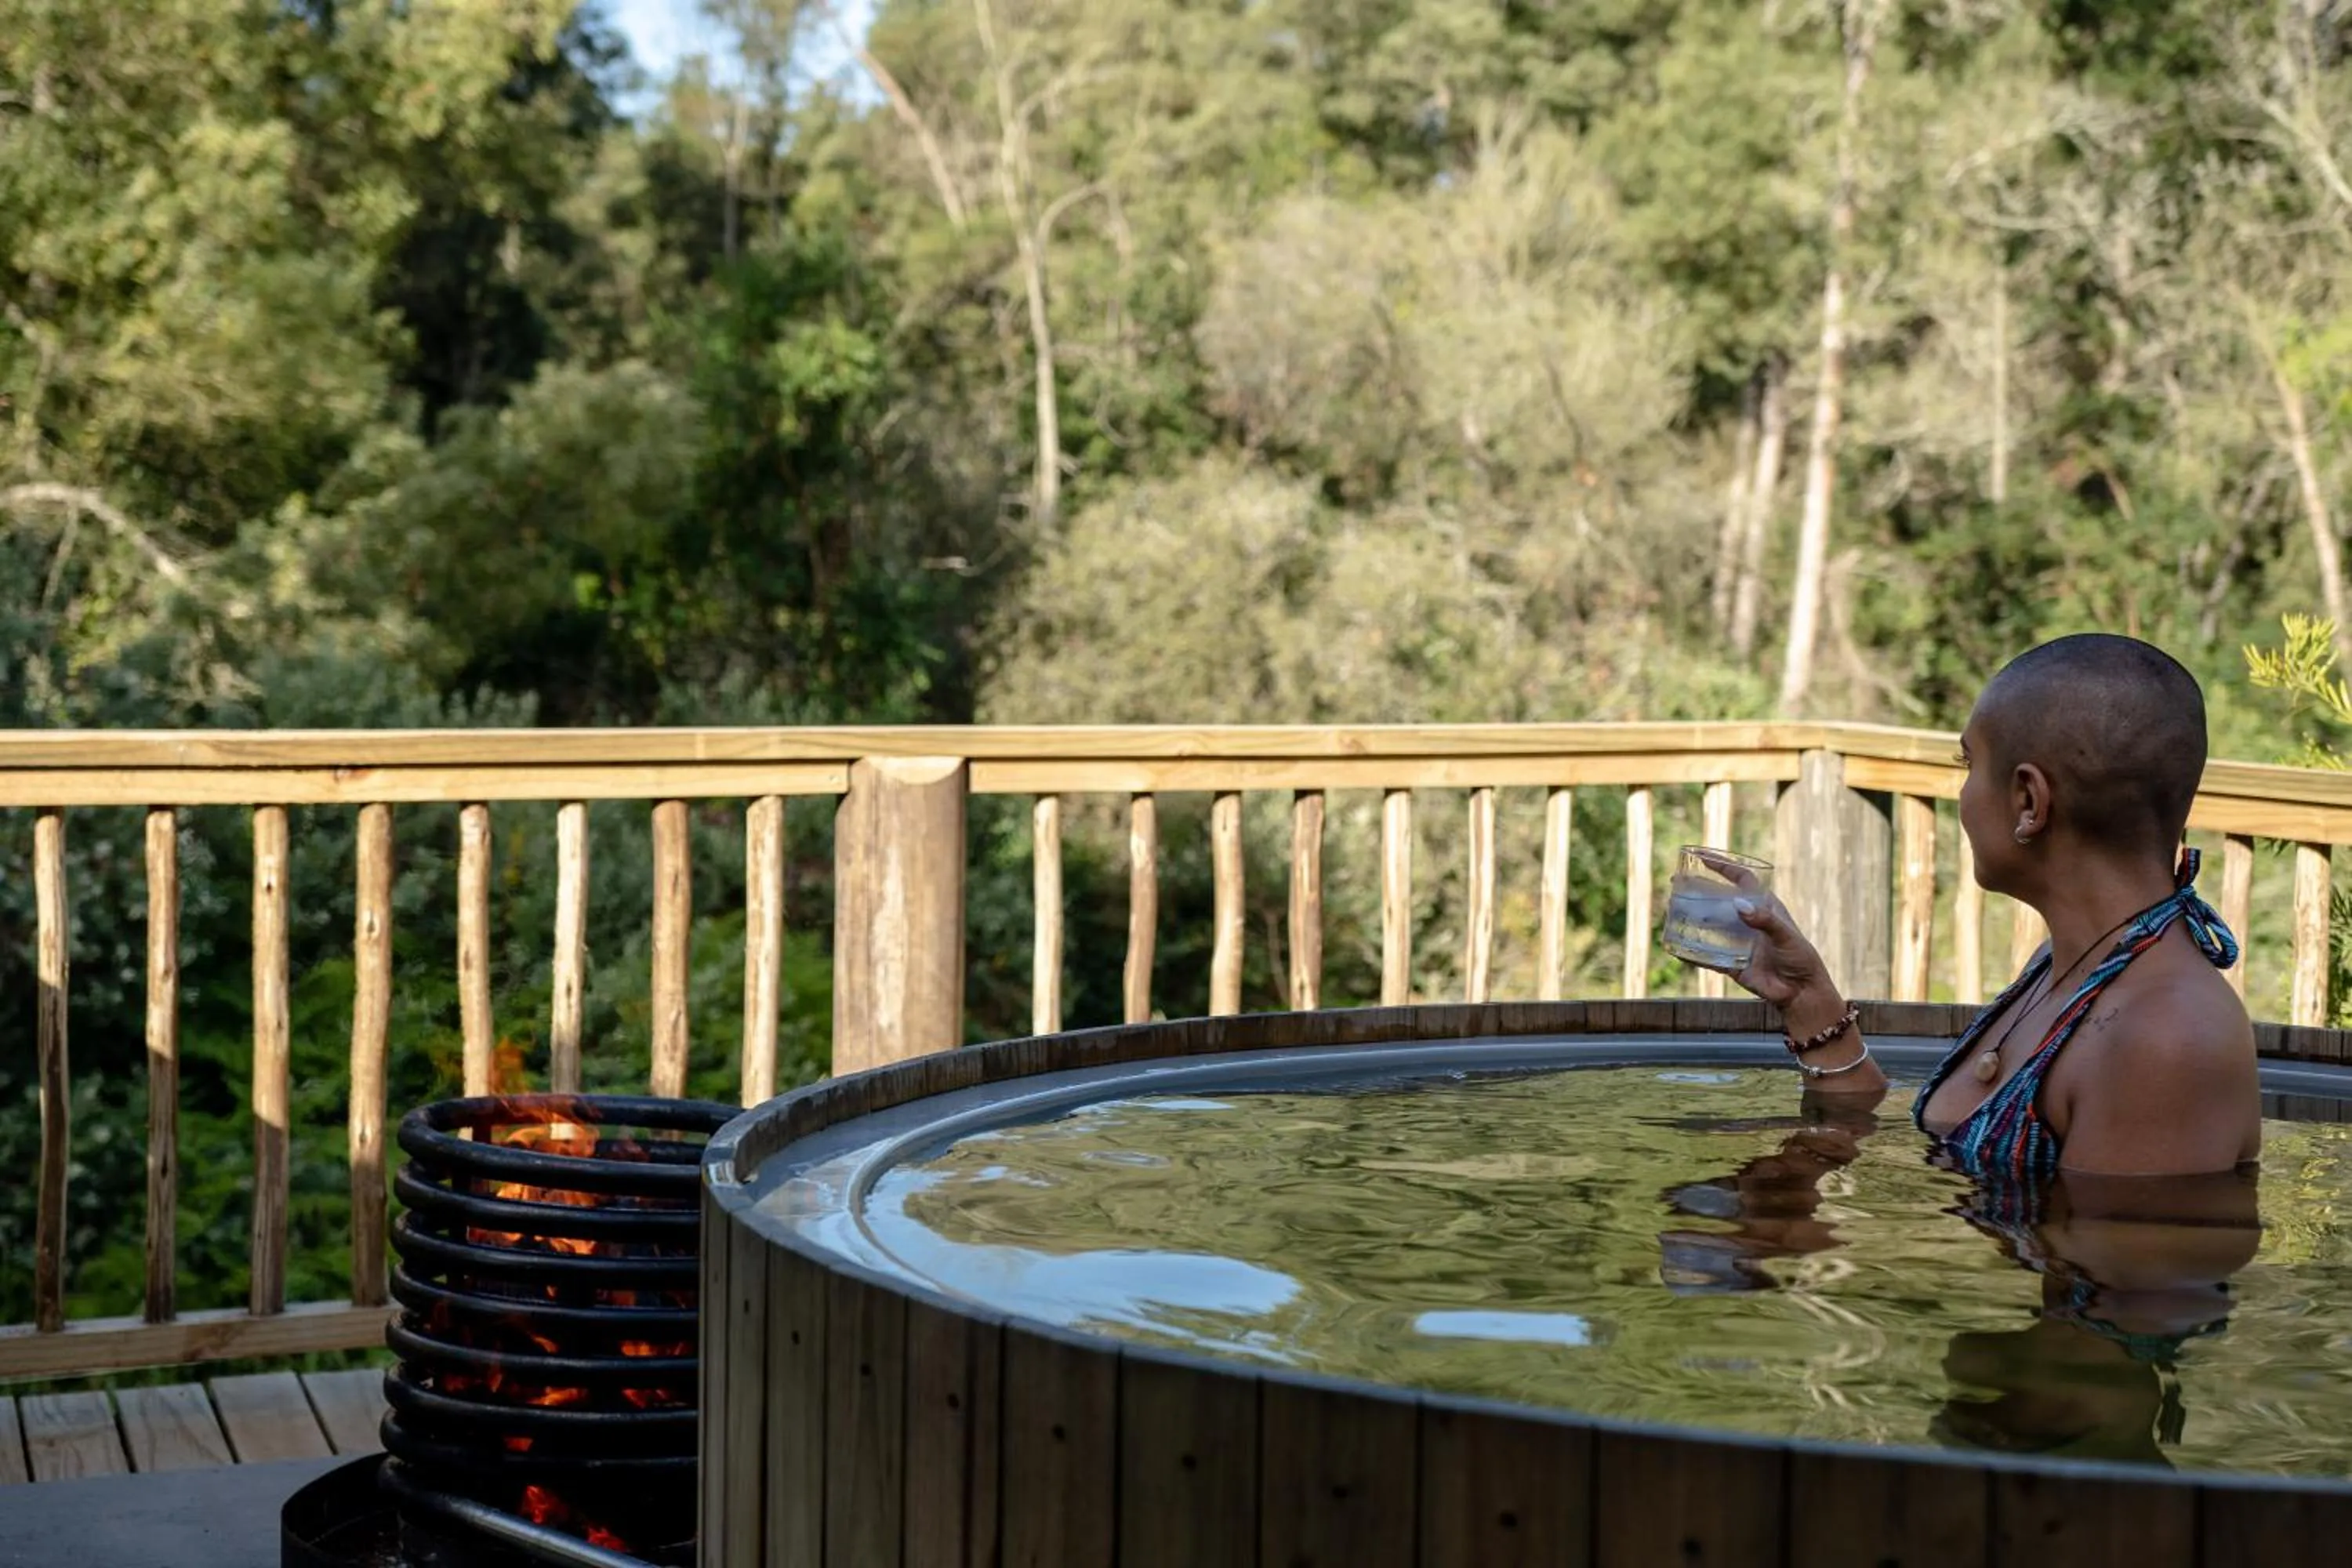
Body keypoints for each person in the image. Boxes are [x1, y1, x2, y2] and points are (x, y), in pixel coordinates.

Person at [1711, 633, 2261, 1180]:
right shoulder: (2069, 967)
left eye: (1967, 763)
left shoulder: (2162, 1036)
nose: (1963, 793)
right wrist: (1810, 1003)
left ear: (2029, 801)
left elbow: (2098, 1244)